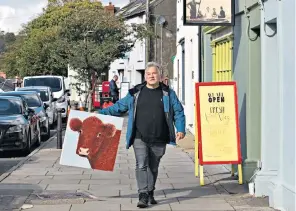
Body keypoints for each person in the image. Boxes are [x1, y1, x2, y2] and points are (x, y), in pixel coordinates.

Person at [99, 62, 186, 208]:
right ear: (145, 76)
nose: (151, 76)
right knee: (141, 164)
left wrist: (181, 128)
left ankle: (150, 191)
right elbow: (119, 107)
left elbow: (178, 111)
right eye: (148, 74)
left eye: (154, 73)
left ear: (160, 75)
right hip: (139, 135)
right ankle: (143, 194)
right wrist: (99, 114)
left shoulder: (168, 93)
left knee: (153, 166)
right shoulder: (135, 92)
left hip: (160, 136)